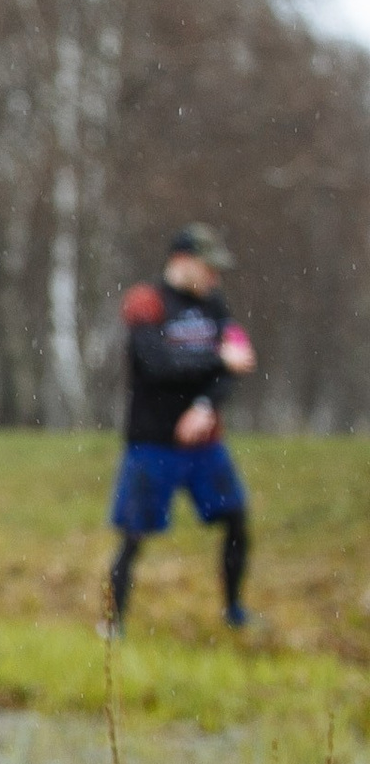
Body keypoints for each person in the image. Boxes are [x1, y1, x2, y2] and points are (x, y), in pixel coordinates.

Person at [107, 224, 258, 635]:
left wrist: (207, 405)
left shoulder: (214, 304)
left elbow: (238, 361)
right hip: (152, 442)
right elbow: (158, 366)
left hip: (205, 445)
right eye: (209, 268)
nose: (215, 278)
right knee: (133, 536)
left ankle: (234, 613)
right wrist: (218, 361)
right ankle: (113, 626)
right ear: (183, 261)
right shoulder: (146, 302)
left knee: (237, 521)